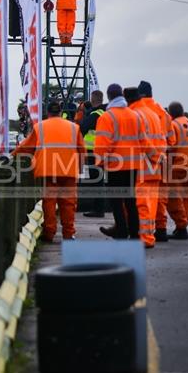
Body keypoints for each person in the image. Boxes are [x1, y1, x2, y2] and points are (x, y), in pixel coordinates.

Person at [12, 100, 86, 242]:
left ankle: (49, 233)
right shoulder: (74, 127)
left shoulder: (40, 127)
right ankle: (68, 234)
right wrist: (80, 170)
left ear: (47, 113)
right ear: (60, 112)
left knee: (49, 202)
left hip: (47, 170)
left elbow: (26, 147)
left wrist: (11, 156)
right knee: (69, 203)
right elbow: (81, 150)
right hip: (68, 171)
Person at [94, 83, 150, 240]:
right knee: (131, 201)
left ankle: (121, 230)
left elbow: (103, 144)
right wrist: (153, 158)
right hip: (133, 165)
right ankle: (135, 233)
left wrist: (100, 162)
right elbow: (144, 141)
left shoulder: (107, 117)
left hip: (115, 166)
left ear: (109, 97)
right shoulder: (136, 115)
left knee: (117, 202)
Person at [137, 80, 176, 242]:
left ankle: (144, 231)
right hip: (163, 160)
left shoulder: (138, 111)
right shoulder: (163, 113)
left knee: (143, 198)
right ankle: (161, 228)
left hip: (143, 161)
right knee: (160, 196)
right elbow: (172, 141)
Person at [125, 87, 164, 249]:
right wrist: (158, 159)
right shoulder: (153, 114)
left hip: (142, 166)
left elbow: (141, 141)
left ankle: (146, 238)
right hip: (154, 167)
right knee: (151, 204)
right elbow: (162, 140)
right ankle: (148, 235)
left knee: (142, 205)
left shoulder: (136, 115)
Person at [165, 101, 188, 240]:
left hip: (178, 166)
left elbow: (171, 147)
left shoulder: (173, 125)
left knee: (173, 197)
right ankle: (182, 226)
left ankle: (181, 226)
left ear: (170, 113)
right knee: (186, 197)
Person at [80, 90, 107, 217]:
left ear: (93, 99)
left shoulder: (95, 114)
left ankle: (98, 209)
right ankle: (98, 208)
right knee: (99, 180)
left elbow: (82, 127)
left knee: (96, 181)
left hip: (93, 151)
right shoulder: (104, 113)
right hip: (101, 151)